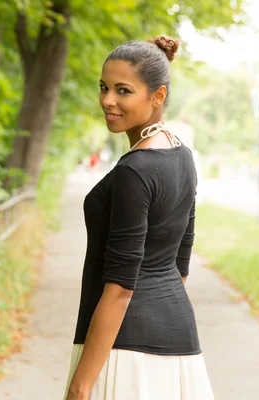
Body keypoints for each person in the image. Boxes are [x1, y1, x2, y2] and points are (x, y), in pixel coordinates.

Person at [64, 36, 215, 400]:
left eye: (123, 91)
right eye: (104, 87)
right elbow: (180, 266)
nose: (107, 100)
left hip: (122, 350)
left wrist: (81, 387)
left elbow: (119, 289)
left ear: (158, 96)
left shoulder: (136, 170)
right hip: (179, 347)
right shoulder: (183, 156)